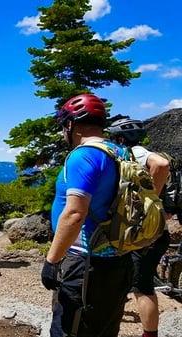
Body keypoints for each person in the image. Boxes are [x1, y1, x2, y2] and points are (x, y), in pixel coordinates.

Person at [42, 93, 133, 337]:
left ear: (71, 124)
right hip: (118, 258)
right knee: (103, 328)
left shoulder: (84, 155)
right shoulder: (120, 152)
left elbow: (74, 213)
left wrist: (51, 261)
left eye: (64, 126)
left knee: (68, 328)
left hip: (86, 262)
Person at [107, 116, 170, 337]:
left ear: (121, 138)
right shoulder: (133, 154)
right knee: (132, 278)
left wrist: (150, 197)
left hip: (145, 232)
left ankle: (149, 334)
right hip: (152, 230)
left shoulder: (137, 152)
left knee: (141, 285)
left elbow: (162, 165)